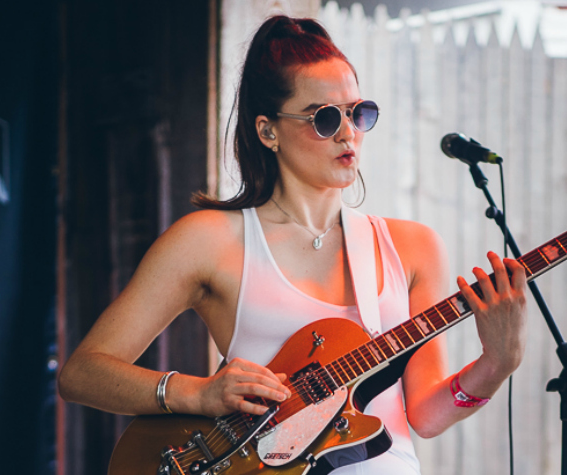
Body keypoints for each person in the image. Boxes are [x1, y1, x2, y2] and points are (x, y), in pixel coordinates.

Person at [57, 15, 528, 474]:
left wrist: (497, 362)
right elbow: (82, 373)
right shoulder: (209, 240)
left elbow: (425, 414)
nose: (349, 133)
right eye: (325, 118)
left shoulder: (413, 247)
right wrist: (197, 393)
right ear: (268, 131)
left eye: (358, 113)